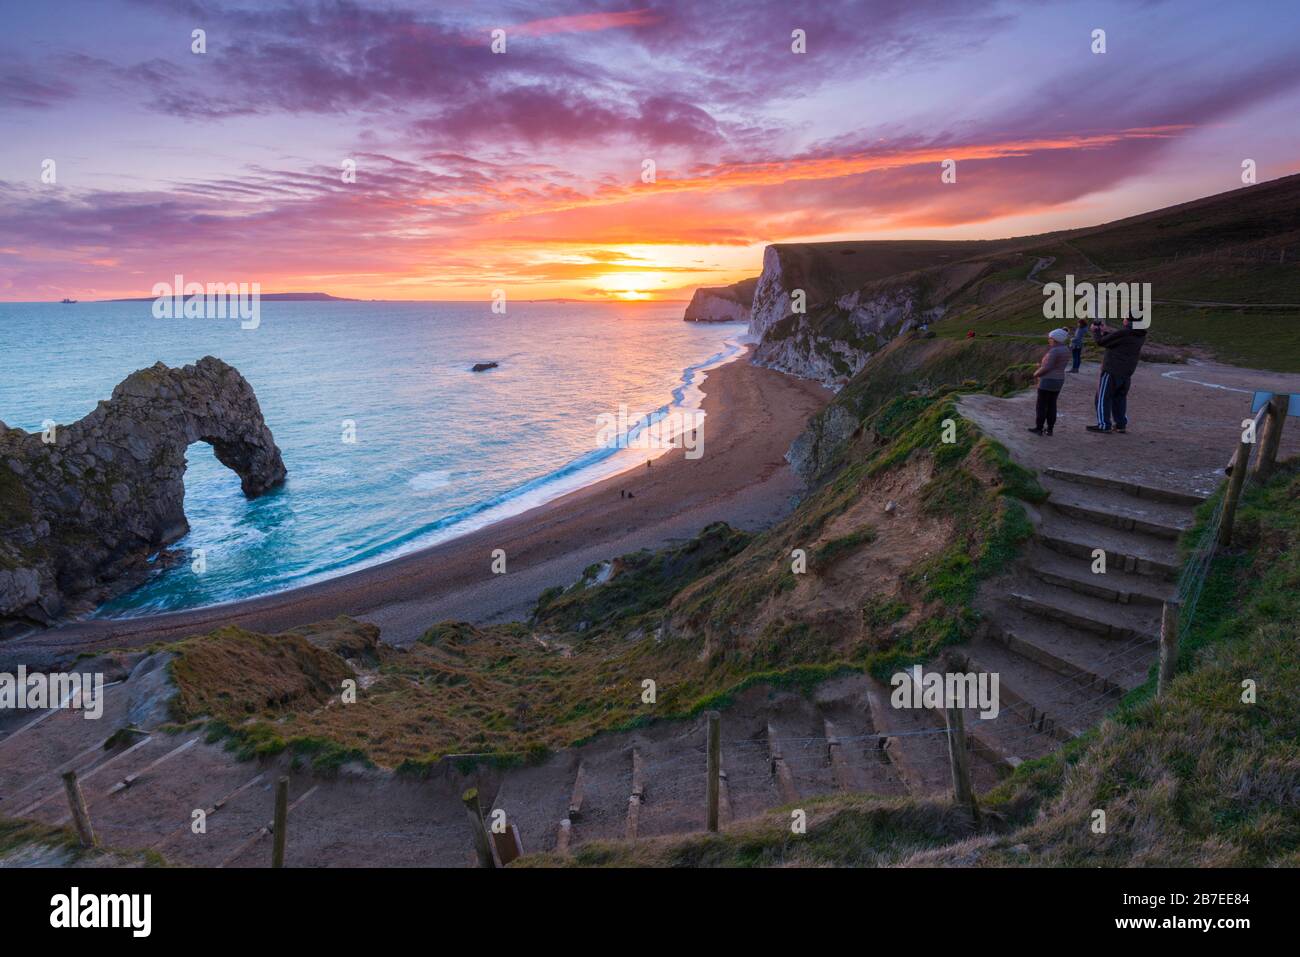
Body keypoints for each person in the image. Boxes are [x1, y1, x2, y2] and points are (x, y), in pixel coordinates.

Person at [1087, 317, 1147, 434]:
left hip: (1112, 369)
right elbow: (1120, 340)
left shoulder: (1124, 333)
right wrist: (1107, 332)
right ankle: (1120, 424)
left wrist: (1096, 331)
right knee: (1119, 398)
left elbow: (1101, 342)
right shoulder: (1140, 334)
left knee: (1102, 397)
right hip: (1127, 371)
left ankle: (1104, 425)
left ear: (1128, 321)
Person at [1028, 328, 1070, 436]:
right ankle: (1050, 429)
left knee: (1041, 405)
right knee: (1052, 404)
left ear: (1055, 339)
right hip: (1059, 380)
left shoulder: (1054, 351)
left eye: (1050, 338)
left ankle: (1039, 428)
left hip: (1047, 380)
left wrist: (1036, 373)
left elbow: (1048, 367)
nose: (1048, 340)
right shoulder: (1065, 349)